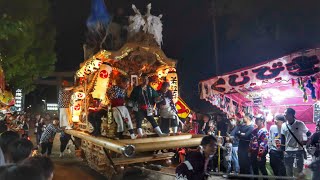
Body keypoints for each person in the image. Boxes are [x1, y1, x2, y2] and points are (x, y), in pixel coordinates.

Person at [281, 108, 312, 177]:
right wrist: (283, 150)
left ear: (291, 114)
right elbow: (282, 138)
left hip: (299, 150)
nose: (284, 114)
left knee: (300, 170)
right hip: (288, 151)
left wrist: (306, 142)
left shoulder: (300, 124)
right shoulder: (283, 125)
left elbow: (309, 134)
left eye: (285, 113)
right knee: (289, 171)